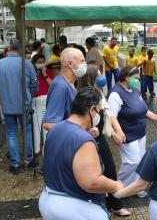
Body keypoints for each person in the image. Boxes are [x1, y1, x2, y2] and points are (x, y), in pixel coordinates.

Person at [39, 87, 124, 220]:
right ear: (91, 110)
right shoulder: (84, 141)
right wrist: (115, 185)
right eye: (99, 111)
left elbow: (49, 159)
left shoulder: (55, 130)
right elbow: (91, 182)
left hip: (48, 201)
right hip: (74, 208)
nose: (99, 116)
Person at [79, 65, 131, 217]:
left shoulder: (100, 94)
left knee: (110, 170)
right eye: (98, 75)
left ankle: (115, 204)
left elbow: (108, 115)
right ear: (90, 77)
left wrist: (116, 132)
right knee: (93, 173)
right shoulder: (82, 96)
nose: (102, 78)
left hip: (100, 137)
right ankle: (97, 205)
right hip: (86, 139)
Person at [107, 66, 157, 197]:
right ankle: (117, 186)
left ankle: (136, 187)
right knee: (132, 162)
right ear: (126, 77)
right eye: (136, 78)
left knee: (140, 161)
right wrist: (117, 132)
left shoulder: (135, 91)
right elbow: (111, 116)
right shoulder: (115, 94)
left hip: (140, 133)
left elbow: (144, 110)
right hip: (127, 135)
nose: (138, 80)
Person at [0, 41, 38, 174]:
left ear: (9, 48)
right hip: (25, 104)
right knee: (27, 131)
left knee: (11, 133)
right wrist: (30, 93)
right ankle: (29, 159)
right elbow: (34, 84)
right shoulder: (27, 64)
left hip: (7, 104)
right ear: (21, 49)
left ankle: (15, 164)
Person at [42, 47, 86, 132]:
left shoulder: (70, 83)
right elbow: (49, 123)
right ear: (70, 64)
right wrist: (77, 134)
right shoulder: (60, 86)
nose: (85, 64)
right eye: (82, 61)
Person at [31, 54, 53, 154]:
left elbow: (52, 85)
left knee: (46, 125)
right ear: (34, 63)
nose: (41, 64)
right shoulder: (32, 72)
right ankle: (36, 149)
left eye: (43, 62)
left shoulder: (48, 71)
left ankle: (47, 147)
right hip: (35, 100)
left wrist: (45, 74)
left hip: (46, 99)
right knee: (36, 126)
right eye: (39, 62)